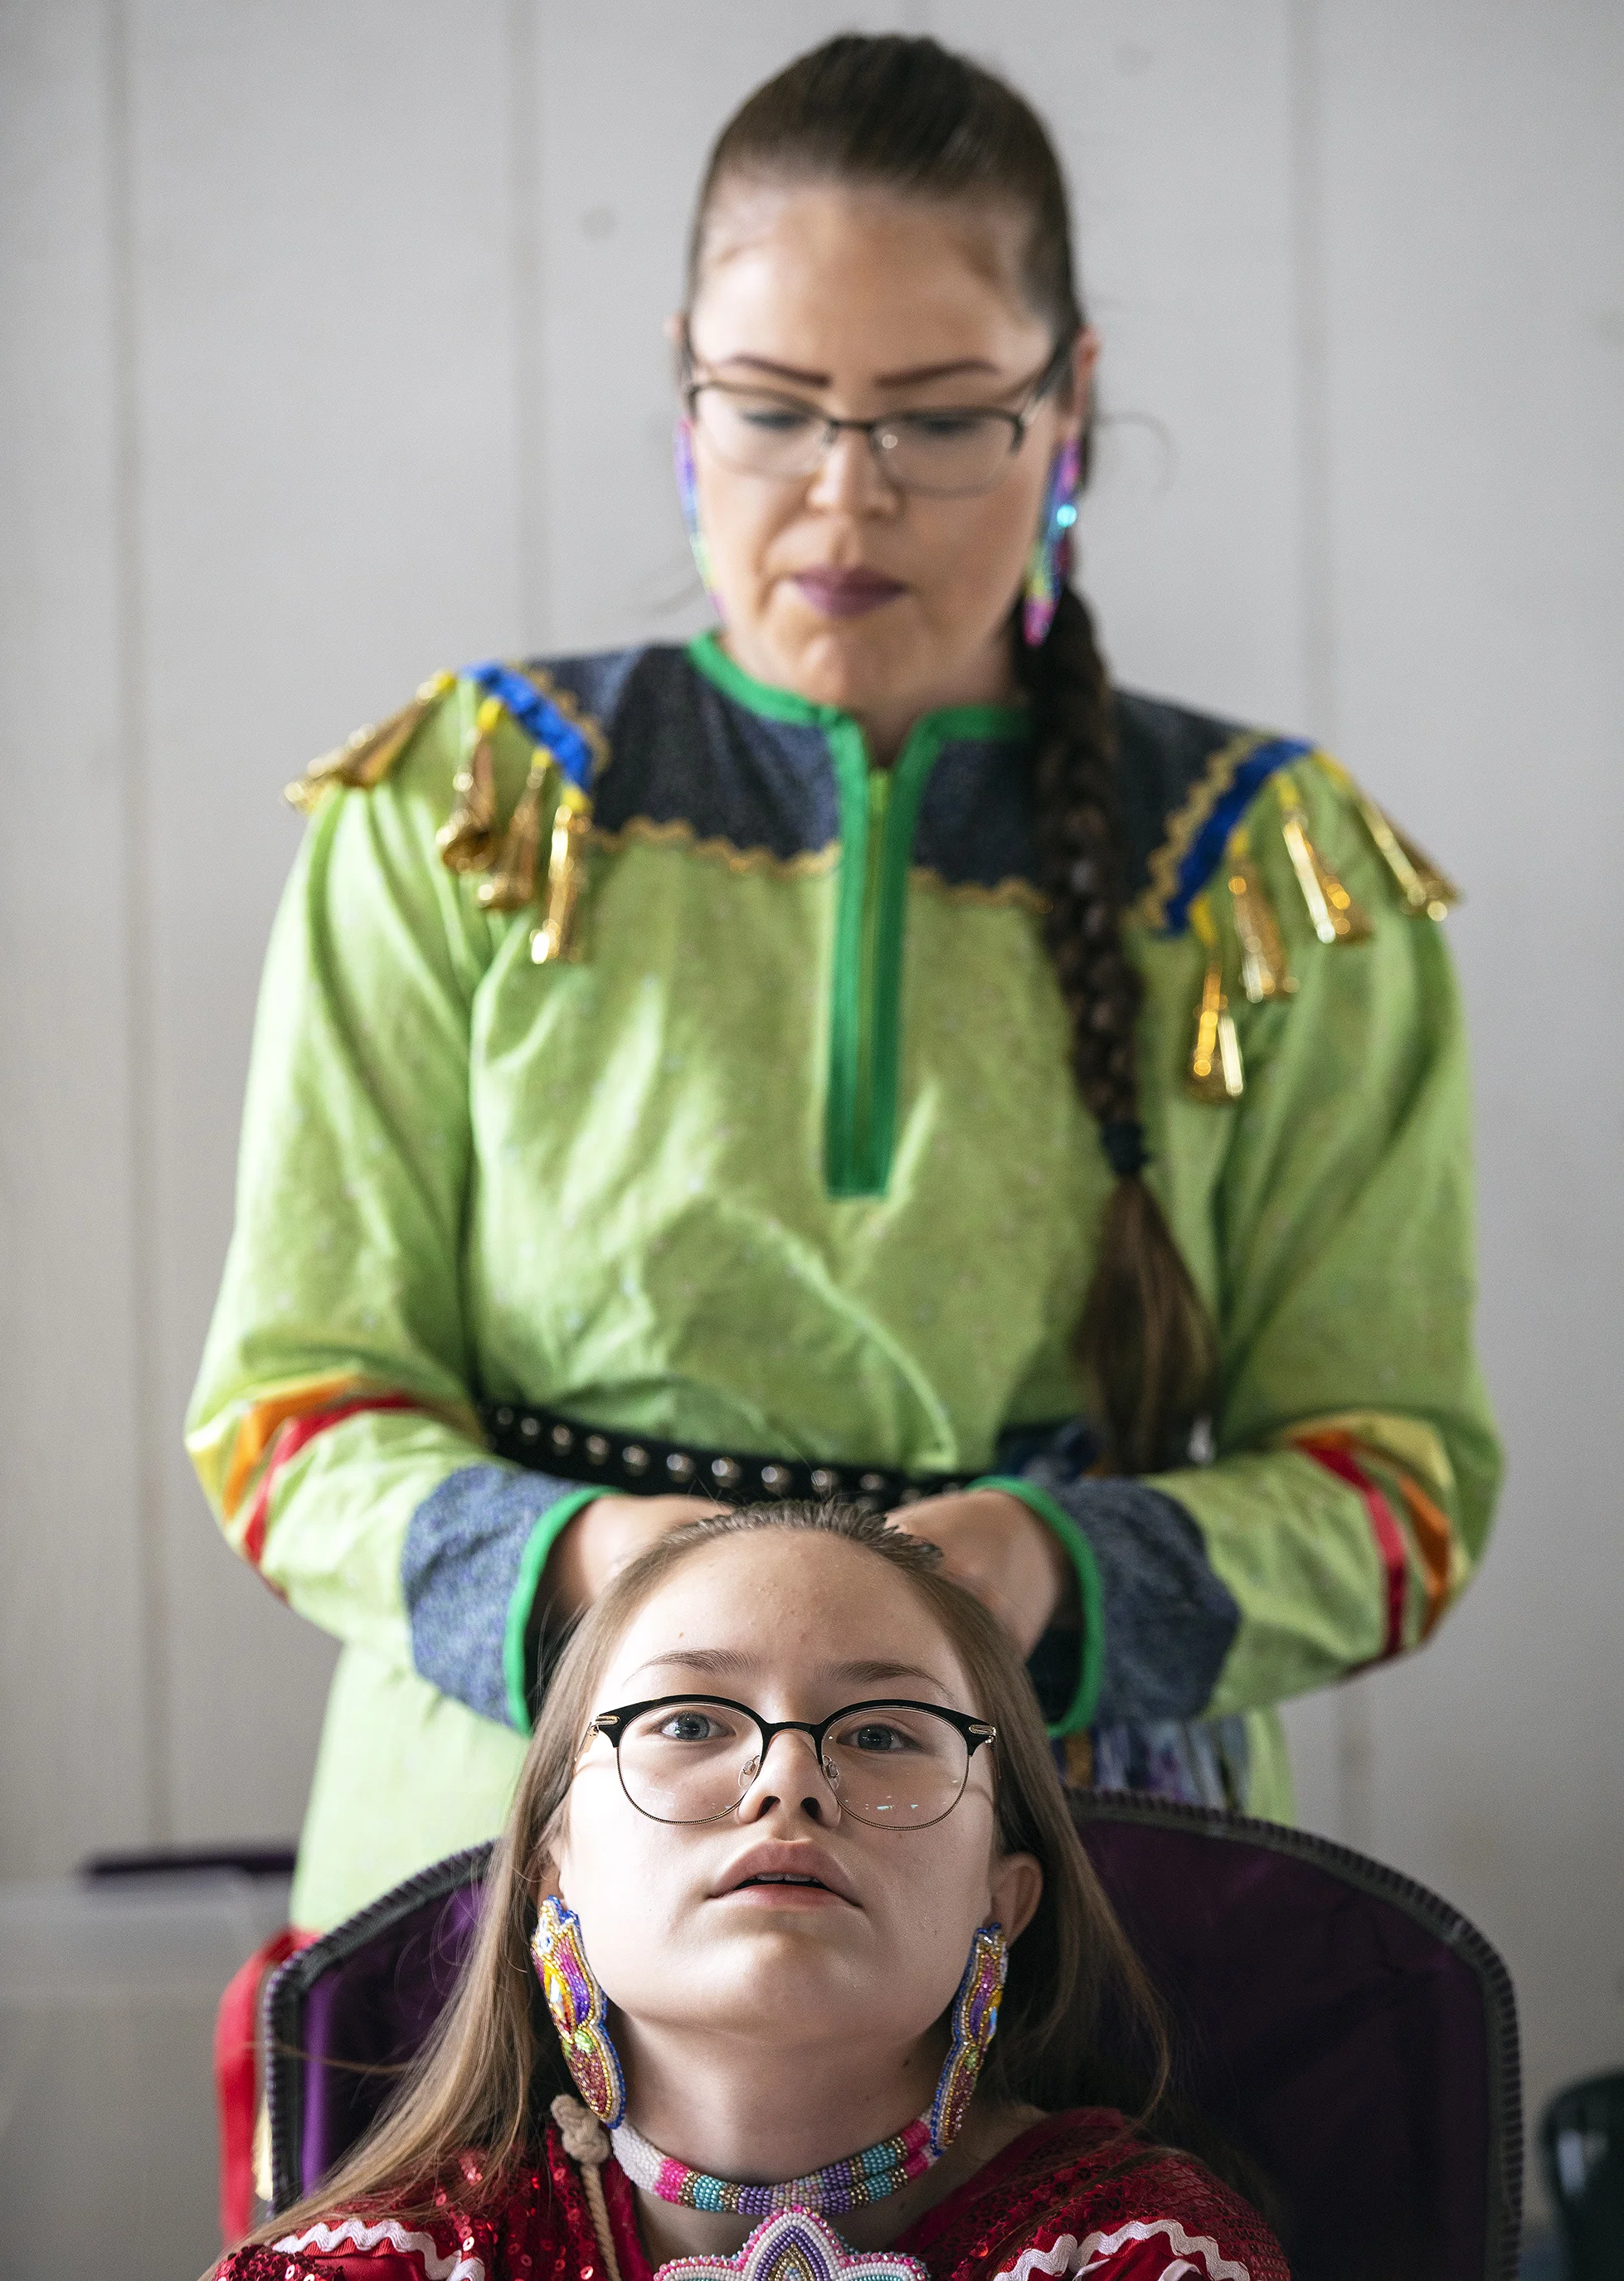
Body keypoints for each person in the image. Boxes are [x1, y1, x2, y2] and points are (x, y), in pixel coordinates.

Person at [187, 34, 1500, 1937]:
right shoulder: (470, 815)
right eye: (773, 408)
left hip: (1073, 1901)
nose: (847, 494)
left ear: (1068, 406)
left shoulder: (1261, 874)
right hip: (500, 1871)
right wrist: (596, 1571)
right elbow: (290, 1421)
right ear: (682, 393)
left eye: (939, 415)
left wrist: (1047, 1565)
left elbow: (1398, 1491)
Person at [211, 1505, 1288, 2281]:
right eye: (688, 1722)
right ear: (554, 1866)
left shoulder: (1140, 2256)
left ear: (1002, 1897)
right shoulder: (368, 2267)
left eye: (879, 1733)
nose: (788, 1780)